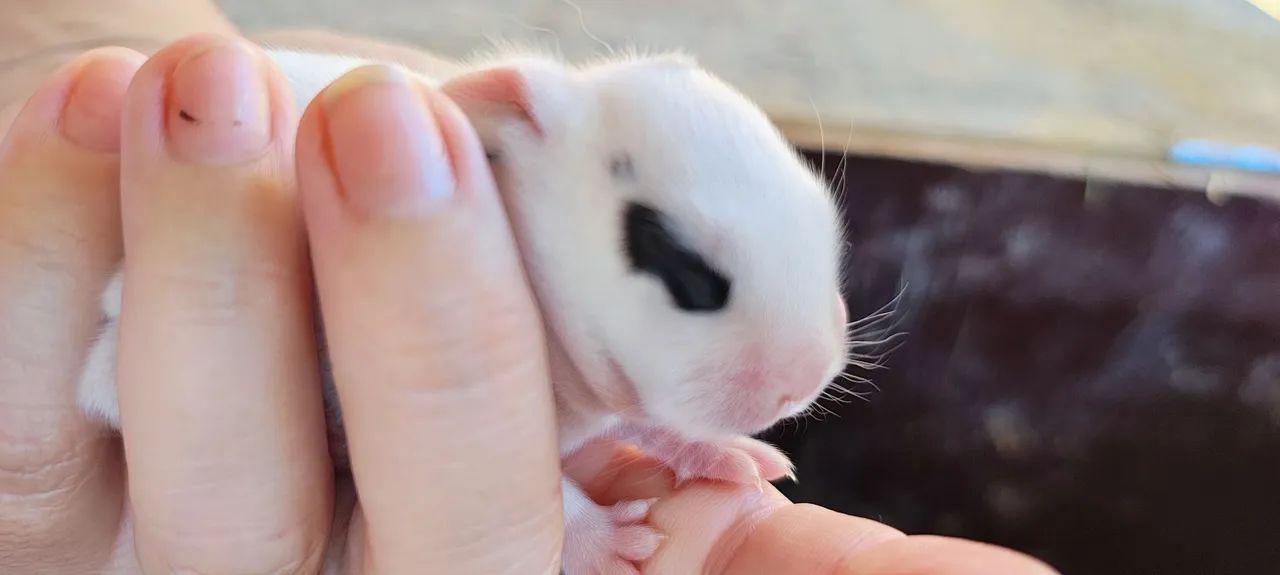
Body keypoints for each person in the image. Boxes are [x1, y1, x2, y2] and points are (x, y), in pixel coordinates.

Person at [0, 1, 1061, 573]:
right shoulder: (479, 179)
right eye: (691, 275)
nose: (807, 373)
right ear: (513, 121)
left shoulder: (547, 197)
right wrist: (570, 519)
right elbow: (417, 409)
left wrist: (669, 433)